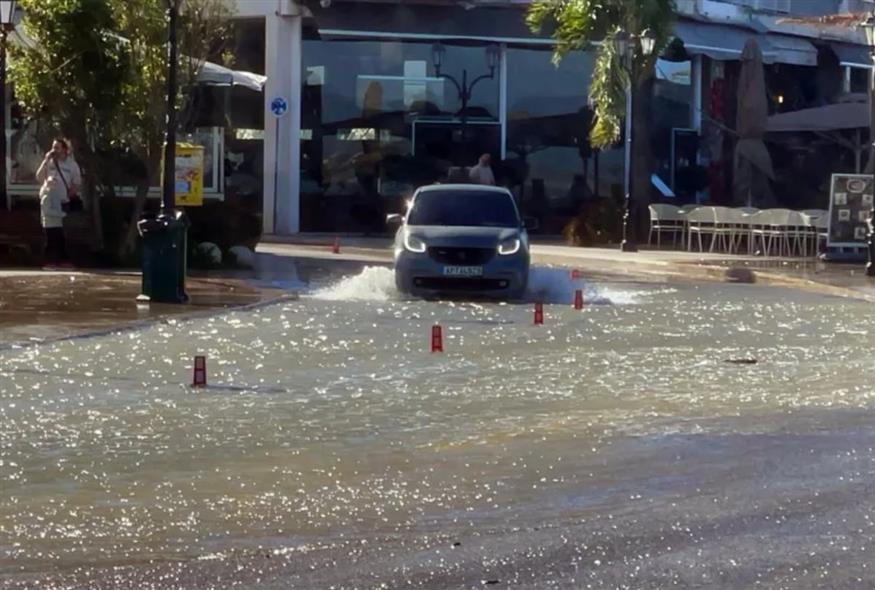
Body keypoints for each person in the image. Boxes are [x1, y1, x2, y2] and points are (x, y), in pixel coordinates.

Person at [36, 138, 81, 268]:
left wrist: (69, 194)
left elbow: (76, 183)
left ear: (65, 150)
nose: (54, 150)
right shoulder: (49, 162)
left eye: (57, 148)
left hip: (63, 201)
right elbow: (39, 177)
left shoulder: (71, 165)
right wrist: (45, 161)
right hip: (49, 200)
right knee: (50, 232)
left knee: (62, 233)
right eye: (53, 147)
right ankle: (49, 261)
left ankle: (63, 259)